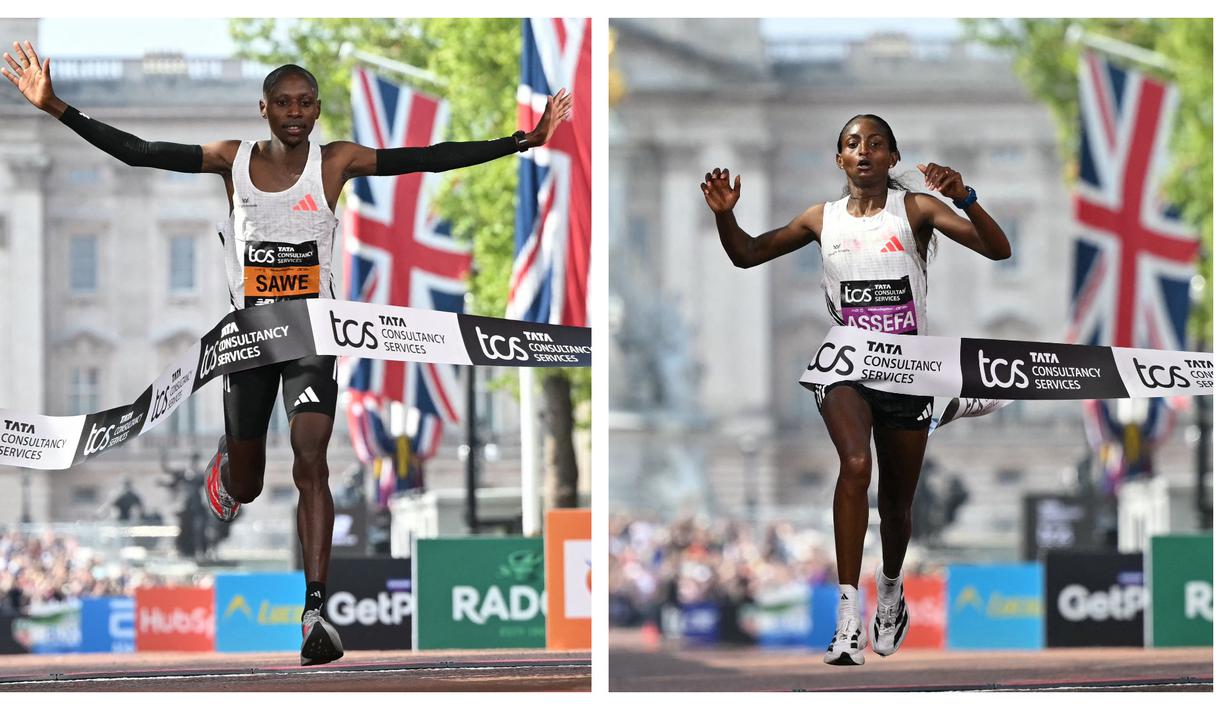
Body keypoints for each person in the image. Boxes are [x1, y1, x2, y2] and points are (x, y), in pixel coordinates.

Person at [4, 40, 572, 665]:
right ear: (264, 110)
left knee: (311, 460)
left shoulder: (337, 163)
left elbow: (426, 158)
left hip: (312, 338)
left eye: (305, 103)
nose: (295, 113)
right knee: (247, 487)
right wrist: (56, 107)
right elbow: (141, 154)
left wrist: (522, 141)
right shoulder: (229, 160)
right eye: (283, 104)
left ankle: (315, 609)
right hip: (249, 340)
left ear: (318, 109)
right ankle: (229, 464)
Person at [701, 114, 1009, 666]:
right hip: (846, 365)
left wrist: (967, 198)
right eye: (851, 144)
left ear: (892, 158)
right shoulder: (822, 219)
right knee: (855, 467)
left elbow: (998, 249)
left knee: (896, 503)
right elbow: (747, 254)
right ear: (838, 159)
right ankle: (848, 617)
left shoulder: (916, 210)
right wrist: (727, 218)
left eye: (875, 144)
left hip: (907, 368)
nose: (863, 151)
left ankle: (889, 591)